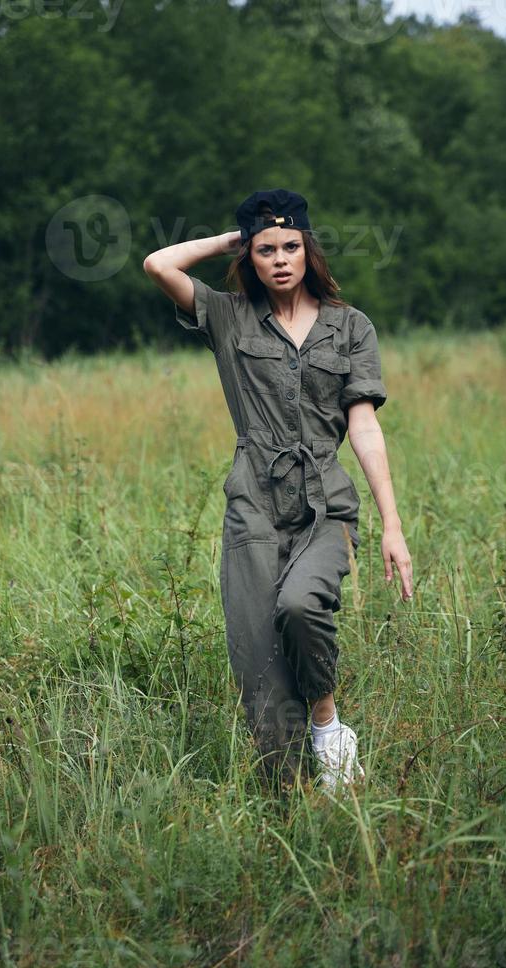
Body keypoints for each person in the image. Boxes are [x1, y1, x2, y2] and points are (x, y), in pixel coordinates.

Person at [143, 188, 413, 796]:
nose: (281, 258)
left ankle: (328, 729)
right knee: (257, 656)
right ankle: (286, 800)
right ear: (251, 257)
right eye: (266, 249)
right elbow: (159, 264)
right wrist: (231, 238)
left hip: (325, 501)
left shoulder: (350, 327)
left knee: (299, 606)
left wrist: (392, 527)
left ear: (309, 249)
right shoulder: (230, 315)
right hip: (253, 504)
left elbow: (364, 426)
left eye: (292, 245)